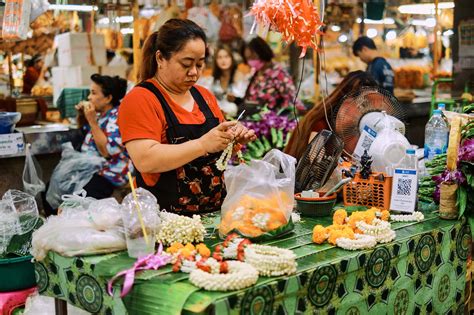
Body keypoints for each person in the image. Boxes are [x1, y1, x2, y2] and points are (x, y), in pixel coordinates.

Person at [118, 19, 256, 214]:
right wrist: (202, 144)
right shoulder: (141, 99)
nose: (194, 72)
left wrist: (231, 140)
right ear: (160, 58)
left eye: (200, 64)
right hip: (165, 221)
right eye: (186, 64)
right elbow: (145, 159)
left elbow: (215, 154)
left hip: (214, 216)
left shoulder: (204, 96)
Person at [42, 74, 131, 215]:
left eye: (94, 93)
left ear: (108, 98)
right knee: (50, 190)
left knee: (74, 204)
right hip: (89, 168)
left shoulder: (117, 116)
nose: (89, 97)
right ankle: (55, 230)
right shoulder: (101, 114)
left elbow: (106, 152)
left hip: (110, 173)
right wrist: (83, 116)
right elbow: (86, 134)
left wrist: (92, 120)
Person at [284, 71, 378, 161]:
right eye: (362, 104)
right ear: (347, 98)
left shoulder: (353, 126)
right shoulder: (322, 122)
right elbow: (314, 158)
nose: (364, 109)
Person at [242, 36, 303, 112]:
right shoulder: (256, 73)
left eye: (253, 57)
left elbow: (293, 101)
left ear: (262, 52)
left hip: (273, 120)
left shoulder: (279, 74)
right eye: (248, 58)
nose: (250, 61)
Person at [199, 44, 249, 117]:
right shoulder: (213, 78)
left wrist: (234, 98)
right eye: (219, 57)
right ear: (215, 60)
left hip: (235, 114)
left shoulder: (238, 74)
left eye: (226, 57)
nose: (223, 60)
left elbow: (243, 97)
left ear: (231, 58)